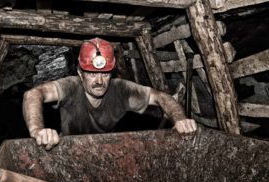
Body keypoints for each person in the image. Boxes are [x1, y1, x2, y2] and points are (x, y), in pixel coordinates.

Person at [23, 37, 197, 150]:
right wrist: (38, 130)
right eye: (92, 73)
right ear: (80, 73)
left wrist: (179, 119)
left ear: (111, 73)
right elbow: (33, 94)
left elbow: (160, 96)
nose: (99, 81)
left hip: (106, 148)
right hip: (70, 148)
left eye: (105, 74)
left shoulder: (120, 89)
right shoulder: (71, 86)